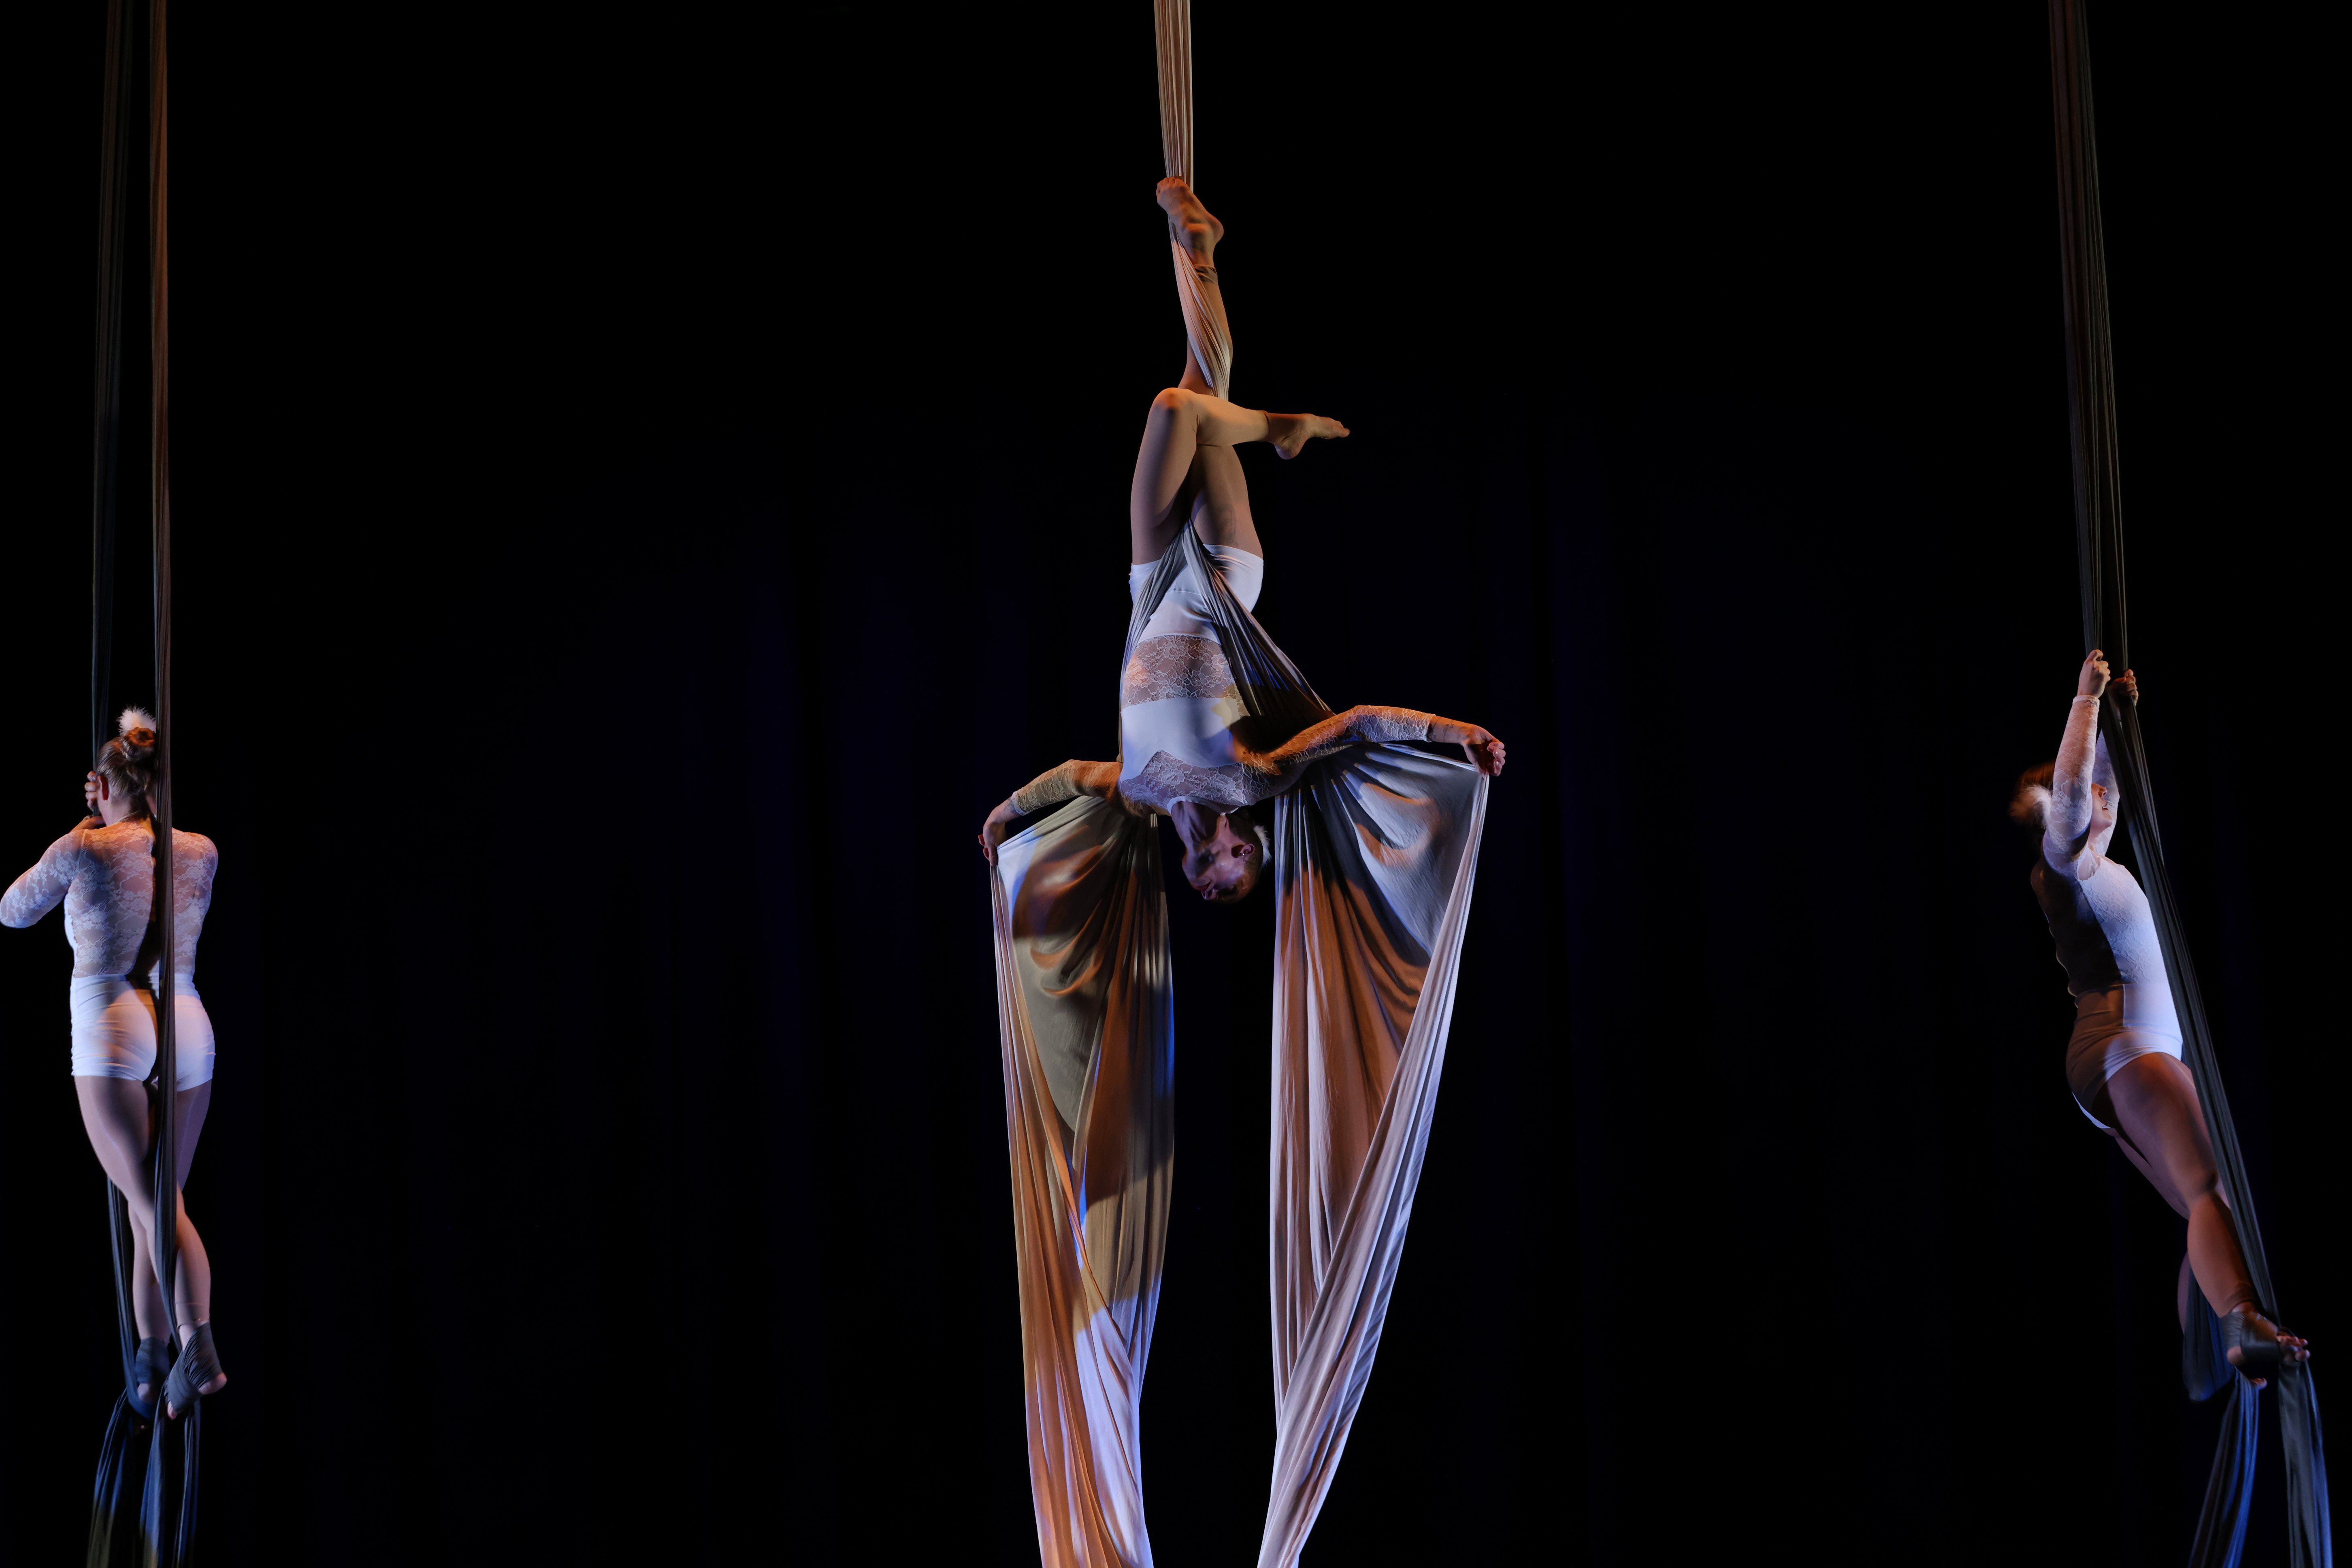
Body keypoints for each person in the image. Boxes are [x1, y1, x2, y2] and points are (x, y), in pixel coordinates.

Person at [977, 179, 1504, 898]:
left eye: (1202, 873)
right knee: (1193, 407)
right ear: (1247, 844)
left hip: (1152, 579)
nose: (1209, 861)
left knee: (1185, 401)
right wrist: (1452, 731)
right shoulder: (1255, 776)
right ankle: (1273, 415)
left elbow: (1070, 777)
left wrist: (1004, 813)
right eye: (1231, 865)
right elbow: (1355, 724)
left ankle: (1202, 246)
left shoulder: (1140, 794)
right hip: (1223, 580)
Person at [2013, 652, 2308, 1383]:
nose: (2104, 796)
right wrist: (2085, 704)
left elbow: (2097, 783)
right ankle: (2241, 1325)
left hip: (2117, 1061)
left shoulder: (2096, 868)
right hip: (2126, 1051)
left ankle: (2205, 1350)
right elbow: (2077, 793)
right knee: (2212, 1188)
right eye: (2088, 792)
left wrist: (2118, 715)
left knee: (2207, 1204)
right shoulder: (2067, 862)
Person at [2, 709, 228, 1417]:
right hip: (186, 1022)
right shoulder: (202, 850)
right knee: (150, 1209)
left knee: (156, 1206)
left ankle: (198, 1348)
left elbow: (13, 910)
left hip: (112, 1019)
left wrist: (80, 831)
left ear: (101, 784)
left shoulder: (85, 851)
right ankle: (153, 1360)